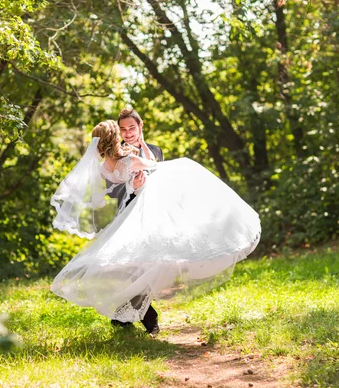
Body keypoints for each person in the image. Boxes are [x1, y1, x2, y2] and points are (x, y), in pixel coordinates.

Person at [50, 120, 261, 337]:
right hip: (144, 208)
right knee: (147, 260)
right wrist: (139, 152)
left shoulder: (104, 168)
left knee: (138, 265)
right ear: (114, 138)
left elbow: (119, 185)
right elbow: (153, 165)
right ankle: (140, 317)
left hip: (126, 213)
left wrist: (132, 178)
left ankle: (130, 315)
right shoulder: (130, 159)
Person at [106, 109, 163, 333]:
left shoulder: (156, 150)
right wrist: (132, 188)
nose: (128, 133)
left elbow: (161, 179)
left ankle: (122, 317)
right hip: (129, 213)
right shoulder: (115, 152)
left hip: (153, 214)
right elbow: (110, 190)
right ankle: (149, 317)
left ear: (141, 126)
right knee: (134, 267)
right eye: (123, 129)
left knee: (148, 266)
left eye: (132, 128)